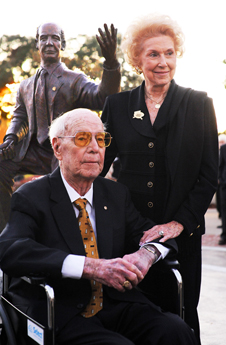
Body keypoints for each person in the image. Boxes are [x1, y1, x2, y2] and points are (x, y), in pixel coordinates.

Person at [0, 109, 197, 345]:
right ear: (57, 147)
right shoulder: (32, 196)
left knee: (176, 330)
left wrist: (146, 254)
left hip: (116, 303)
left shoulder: (115, 193)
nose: (95, 148)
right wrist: (90, 267)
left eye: (101, 139)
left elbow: (155, 234)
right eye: (82, 138)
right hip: (62, 311)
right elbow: (11, 248)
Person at [100, 13, 218, 345]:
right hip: (128, 236)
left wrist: (177, 225)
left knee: (180, 311)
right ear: (138, 60)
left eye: (169, 53)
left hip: (181, 234)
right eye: (153, 54)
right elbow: (96, 165)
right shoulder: (118, 105)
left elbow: (208, 176)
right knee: (134, 313)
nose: (162, 62)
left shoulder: (198, 104)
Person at [0, 21, 121, 232]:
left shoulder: (74, 80)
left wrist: (110, 63)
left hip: (65, 149)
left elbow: (103, 97)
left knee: (60, 189)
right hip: (32, 149)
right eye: (43, 38)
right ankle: (8, 229)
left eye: (54, 38)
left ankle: (63, 235)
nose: (49, 43)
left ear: (62, 44)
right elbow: (19, 116)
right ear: (37, 44)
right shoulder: (26, 85)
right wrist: (11, 139)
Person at [218, 136, 226, 245]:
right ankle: (224, 235)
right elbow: (220, 166)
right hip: (225, 186)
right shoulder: (223, 149)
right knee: (224, 212)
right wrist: (220, 180)